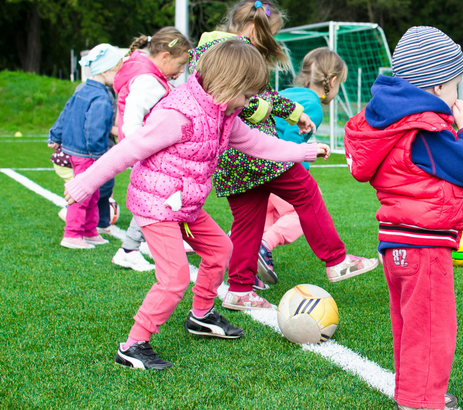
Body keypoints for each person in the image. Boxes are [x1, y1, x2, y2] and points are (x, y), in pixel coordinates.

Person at [63, 40, 331, 370]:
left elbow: (256, 143)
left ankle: (201, 316)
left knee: (221, 250)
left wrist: (304, 151)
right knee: (174, 278)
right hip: (157, 205)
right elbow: (128, 150)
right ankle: (133, 345)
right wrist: (84, 183)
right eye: (248, 96)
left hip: (185, 205)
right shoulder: (178, 115)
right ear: (229, 85)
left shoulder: (224, 113)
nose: (251, 103)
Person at [189, 0, 377, 312]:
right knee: (306, 192)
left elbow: (258, 96)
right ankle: (336, 259)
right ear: (253, 28)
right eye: (271, 33)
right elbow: (239, 100)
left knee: (249, 222)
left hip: (230, 159)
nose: (270, 41)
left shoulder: (211, 49)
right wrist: (269, 111)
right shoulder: (234, 51)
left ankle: (238, 289)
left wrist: (294, 113)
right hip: (255, 151)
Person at [344, 26, 463, 410]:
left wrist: (459, 202)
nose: (458, 94)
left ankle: (413, 393)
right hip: (423, 247)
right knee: (433, 329)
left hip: (396, 242)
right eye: (455, 84)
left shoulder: (394, 123)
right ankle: (421, 402)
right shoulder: (425, 128)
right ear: (437, 87)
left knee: (409, 327)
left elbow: (418, 179)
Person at [251, 47, 348, 287]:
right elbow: (292, 139)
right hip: (277, 168)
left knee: (266, 213)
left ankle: (250, 260)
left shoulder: (286, 93)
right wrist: (300, 176)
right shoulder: (312, 105)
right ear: (332, 81)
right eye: (340, 84)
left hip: (255, 165)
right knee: (302, 209)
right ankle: (264, 245)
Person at [109, 27, 193, 272]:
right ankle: (129, 249)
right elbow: (133, 117)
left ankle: (137, 246)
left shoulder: (150, 75)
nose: (180, 72)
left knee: (158, 197)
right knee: (155, 198)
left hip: (148, 151)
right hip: (148, 152)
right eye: (180, 65)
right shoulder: (149, 81)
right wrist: (140, 147)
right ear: (165, 57)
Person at [47, 44, 124, 249]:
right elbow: (95, 128)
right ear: (107, 71)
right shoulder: (101, 97)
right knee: (82, 193)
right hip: (88, 153)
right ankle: (72, 234)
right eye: (118, 70)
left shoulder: (84, 89)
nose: (120, 75)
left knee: (93, 193)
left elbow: (65, 112)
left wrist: (55, 134)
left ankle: (89, 231)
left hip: (77, 150)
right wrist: (99, 155)